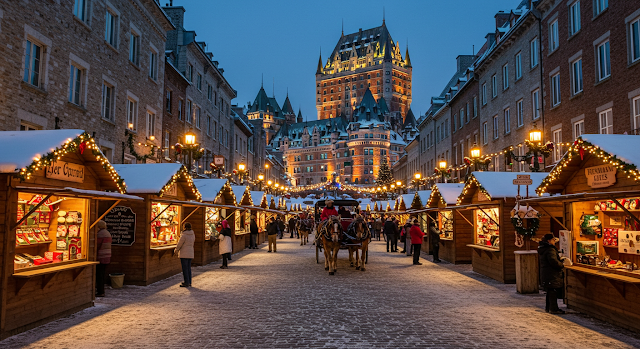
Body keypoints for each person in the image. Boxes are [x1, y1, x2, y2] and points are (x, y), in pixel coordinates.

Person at [539, 233, 566, 314]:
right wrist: (561, 264)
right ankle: (553, 308)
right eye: (553, 240)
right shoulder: (550, 249)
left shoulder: (543, 248)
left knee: (550, 290)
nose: (555, 241)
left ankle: (549, 307)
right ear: (549, 241)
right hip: (552, 273)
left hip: (547, 273)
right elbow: (553, 262)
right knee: (553, 291)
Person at [175, 222, 195, 287]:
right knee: (188, 268)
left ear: (185, 227)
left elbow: (179, 244)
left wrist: (176, 250)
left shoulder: (184, 235)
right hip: (190, 253)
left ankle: (186, 282)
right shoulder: (192, 234)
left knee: (185, 268)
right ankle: (189, 281)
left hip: (184, 253)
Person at [95, 220, 111, 297]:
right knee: (102, 273)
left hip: (101, 256)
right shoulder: (107, 233)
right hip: (107, 256)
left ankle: (100, 291)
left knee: (99, 275)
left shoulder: (100, 234)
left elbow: (96, 245)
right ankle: (101, 290)